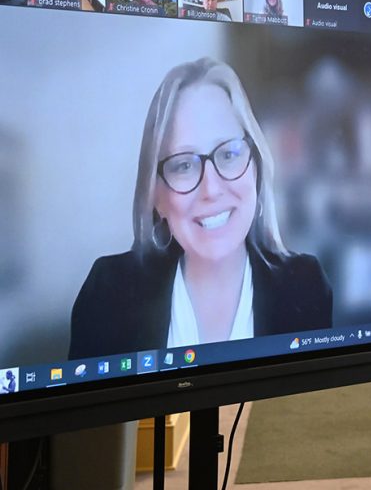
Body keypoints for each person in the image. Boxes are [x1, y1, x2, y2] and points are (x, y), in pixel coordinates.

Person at [68, 58, 333, 360]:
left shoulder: (305, 285)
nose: (211, 189)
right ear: (156, 195)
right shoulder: (107, 292)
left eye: (229, 154)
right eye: (183, 165)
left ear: (255, 169)